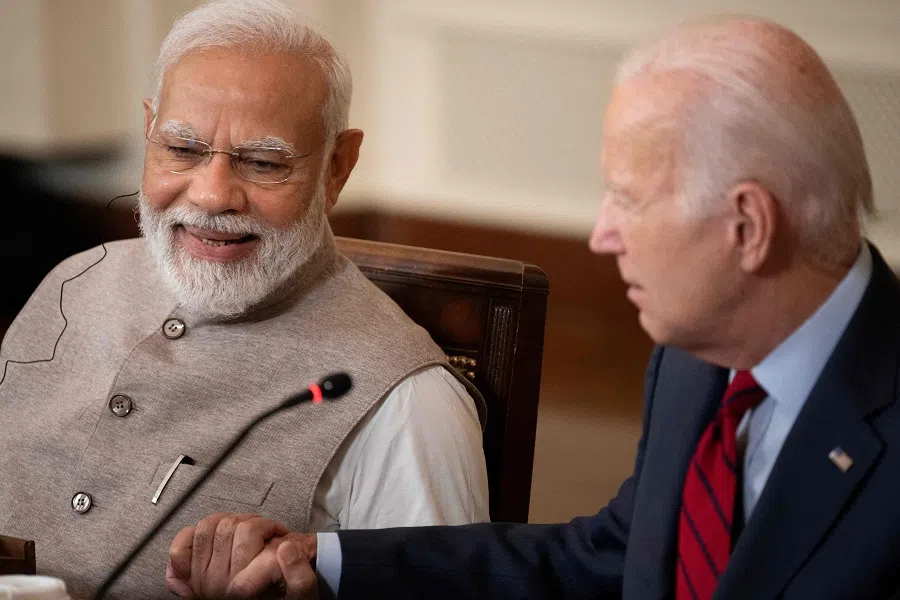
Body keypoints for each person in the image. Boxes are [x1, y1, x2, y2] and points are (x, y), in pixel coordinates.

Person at [165, 15, 900, 600]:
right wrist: (321, 557)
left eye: (630, 200)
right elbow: (608, 558)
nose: (601, 234)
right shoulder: (696, 362)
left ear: (747, 226)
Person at [0, 0, 490, 598]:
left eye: (262, 163)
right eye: (182, 149)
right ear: (150, 128)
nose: (210, 196)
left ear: (338, 167)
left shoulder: (407, 403)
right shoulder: (72, 284)